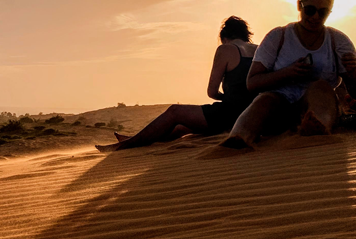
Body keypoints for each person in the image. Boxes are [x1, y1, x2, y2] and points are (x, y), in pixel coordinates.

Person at [222, 0, 356, 148]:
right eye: (310, 10)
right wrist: (287, 73)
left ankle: (317, 131)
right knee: (265, 99)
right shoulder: (278, 36)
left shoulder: (337, 41)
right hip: (279, 107)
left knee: (321, 86)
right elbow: (252, 83)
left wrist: (353, 71)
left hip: (319, 105)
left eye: (322, 12)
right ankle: (237, 140)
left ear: (330, 12)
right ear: (300, 6)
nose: (315, 17)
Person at [97, 17, 257, 152]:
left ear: (225, 37)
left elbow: (212, 91)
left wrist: (226, 97)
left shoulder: (226, 49)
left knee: (175, 112)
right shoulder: (260, 49)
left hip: (232, 113)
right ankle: (135, 139)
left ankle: (123, 146)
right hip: (256, 112)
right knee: (181, 128)